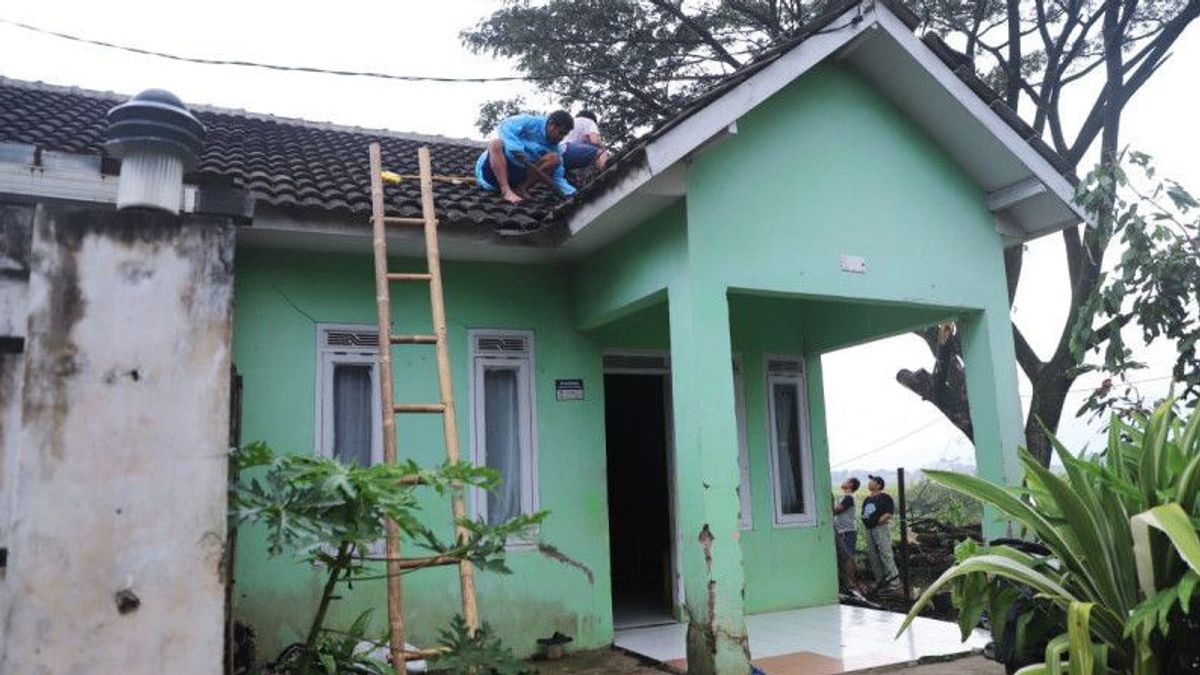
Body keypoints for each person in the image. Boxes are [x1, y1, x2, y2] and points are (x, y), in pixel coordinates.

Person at [476, 110, 577, 204]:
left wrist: (570, 192)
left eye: (564, 134)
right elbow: (505, 126)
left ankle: (521, 188)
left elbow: (557, 176)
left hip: (517, 177)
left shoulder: (555, 148)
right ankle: (506, 191)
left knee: (554, 159)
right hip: (492, 174)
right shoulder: (530, 122)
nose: (561, 138)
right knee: (496, 143)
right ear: (551, 125)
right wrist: (516, 149)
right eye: (560, 133)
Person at [861, 474, 900, 592]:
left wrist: (877, 522)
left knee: (885, 553)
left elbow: (889, 513)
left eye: (872, 481)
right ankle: (880, 581)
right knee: (873, 556)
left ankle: (894, 581)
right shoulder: (867, 499)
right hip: (869, 529)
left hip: (880, 528)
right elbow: (864, 514)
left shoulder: (885, 498)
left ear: (878, 485)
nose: (869, 483)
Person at [833, 477, 863, 593]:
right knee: (845, 556)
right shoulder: (845, 497)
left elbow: (836, 510)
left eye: (846, 480)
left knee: (848, 556)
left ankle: (851, 582)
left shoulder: (849, 498)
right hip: (843, 531)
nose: (843, 481)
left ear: (850, 484)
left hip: (847, 531)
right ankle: (848, 581)